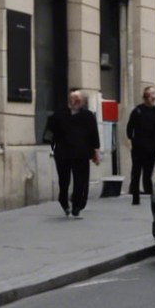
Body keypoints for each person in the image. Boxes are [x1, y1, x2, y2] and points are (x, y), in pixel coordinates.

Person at [45, 89, 102, 217]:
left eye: (77, 100)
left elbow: (94, 134)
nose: (74, 102)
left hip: (81, 154)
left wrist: (96, 150)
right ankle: (64, 201)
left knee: (80, 181)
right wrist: (52, 146)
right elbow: (50, 130)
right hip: (63, 153)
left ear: (82, 101)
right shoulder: (59, 114)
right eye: (72, 99)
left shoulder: (88, 116)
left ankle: (77, 204)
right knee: (64, 181)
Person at [125, 85, 155, 205]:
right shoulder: (138, 111)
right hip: (138, 146)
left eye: (153, 95)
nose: (151, 97)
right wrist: (130, 139)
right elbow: (130, 126)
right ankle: (135, 196)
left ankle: (149, 194)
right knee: (136, 171)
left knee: (148, 172)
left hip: (152, 147)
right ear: (145, 97)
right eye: (149, 95)